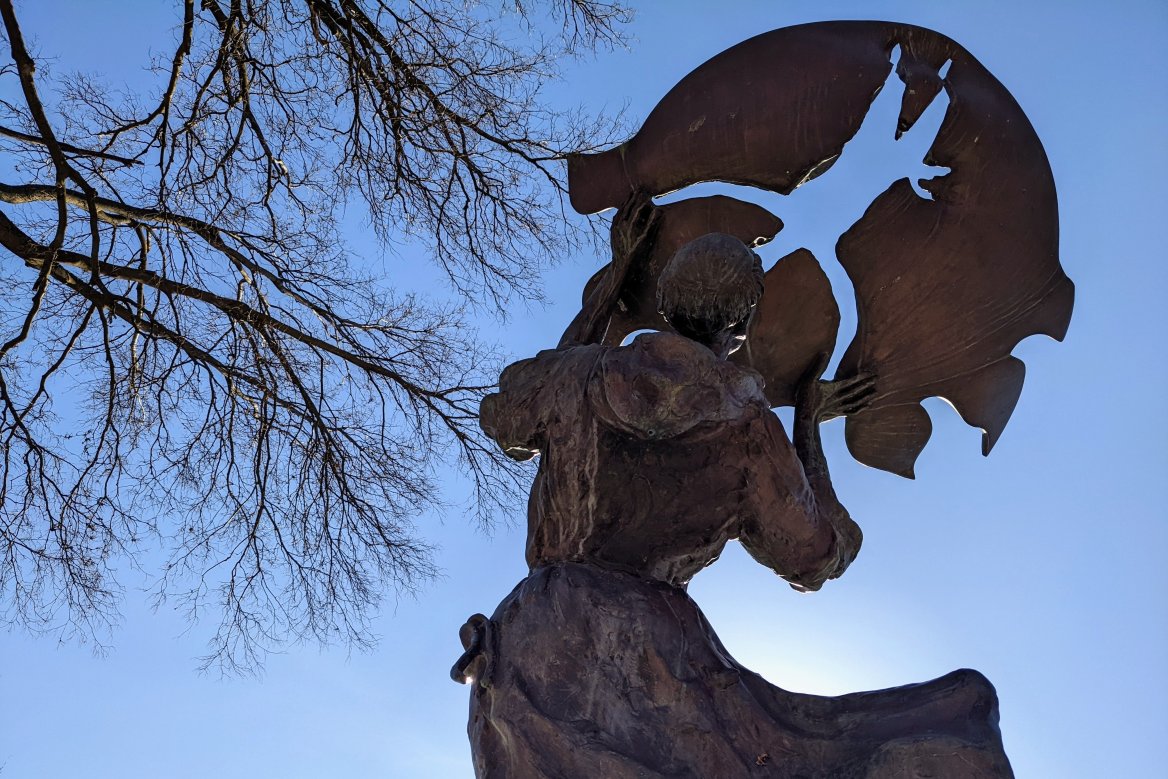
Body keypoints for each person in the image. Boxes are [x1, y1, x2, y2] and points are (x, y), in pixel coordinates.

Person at [456, 195, 1013, 778]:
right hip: (646, 652)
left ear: (666, 305)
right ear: (741, 327)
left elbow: (507, 415)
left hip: (525, 642)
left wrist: (613, 279)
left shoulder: (576, 374)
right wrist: (806, 430)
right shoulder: (749, 432)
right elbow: (817, 556)